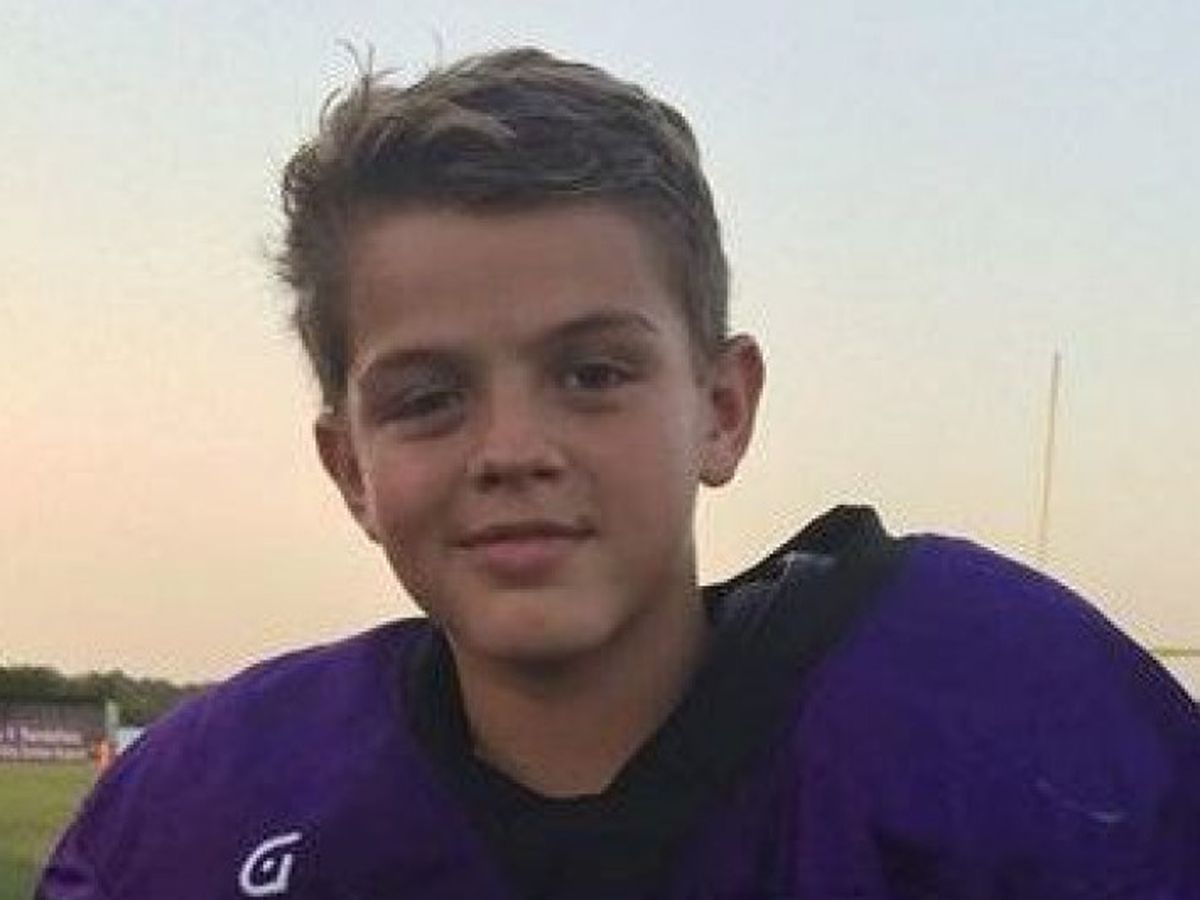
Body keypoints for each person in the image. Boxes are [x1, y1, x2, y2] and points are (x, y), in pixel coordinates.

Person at [39, 47, 1199, 900]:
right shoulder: (215, 807)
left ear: (723, 410)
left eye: (592, 374)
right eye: (428, 398)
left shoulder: (988, 721)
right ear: (351, 467)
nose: (513, 450)